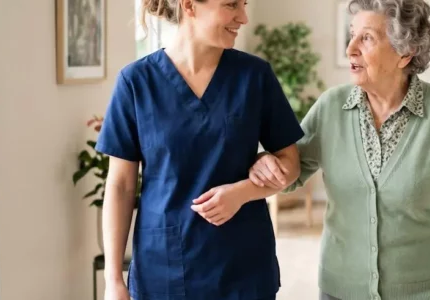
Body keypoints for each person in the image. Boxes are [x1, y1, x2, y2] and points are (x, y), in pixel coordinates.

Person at [248, 0, 430, 299]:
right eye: (352, 35)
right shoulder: (331, 107)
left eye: (366, 38)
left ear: (405, 52)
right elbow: (290, 173)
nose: (350, 48)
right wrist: (264, 162)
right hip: (341, 290)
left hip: (427, 291)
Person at [95, 0, 303, 299]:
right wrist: (113, 279)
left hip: (242, 265)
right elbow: (120, 185)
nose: (243, 17)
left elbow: (291, 164)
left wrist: (242, 192)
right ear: (190, 6)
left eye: (244, 5)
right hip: (164, 266)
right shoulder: (136, 82)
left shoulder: (255, 76)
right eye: (231, 5)